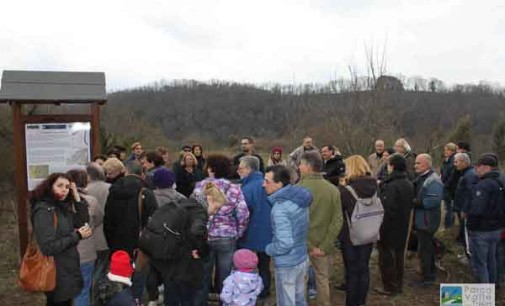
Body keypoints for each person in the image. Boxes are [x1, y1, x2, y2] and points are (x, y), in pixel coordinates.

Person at [191, 154, 250, 304]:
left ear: (210, 169)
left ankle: (200, 302)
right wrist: (239, 232)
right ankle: (226, 302)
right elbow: (243, 214)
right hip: (227, 236)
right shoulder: (234, 189)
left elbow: (193, 212)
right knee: (226, 276)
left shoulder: (200, 187)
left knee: (202, 274)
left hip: (204, 236)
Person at [30, 173, 92, 306]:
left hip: (67, 270)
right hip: (55, 271)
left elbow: (83, 221)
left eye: (67, 187)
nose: (64, 189)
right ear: (49, 187)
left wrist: (76, 196)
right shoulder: (44, 211)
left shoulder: (62, 208)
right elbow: (48, 247)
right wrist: (77, 236)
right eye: (59, 186)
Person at [264, 165, 312, 306]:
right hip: (301, 257)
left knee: (287, 302)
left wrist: (269, 249)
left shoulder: (280, 209)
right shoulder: (299, 198)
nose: (263, 184)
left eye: (267, 181)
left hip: (287, 263)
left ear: (279, 184)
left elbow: (285, 244)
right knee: (299, 299)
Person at [297, 152, 341, 306]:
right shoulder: (333, 190)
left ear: (308, 167)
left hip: (302, 245)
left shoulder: (297, 190)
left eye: (301, 164)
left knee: (300, 281)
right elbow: (337, 221)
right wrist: (325, 246)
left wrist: (309, 246)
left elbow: (294, 222)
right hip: (323, 245)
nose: (299, 167)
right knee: (323, 280)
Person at [337, 155, 377, 306]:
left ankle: (352, 302)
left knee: (352, 271)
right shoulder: (375, 187)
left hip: (350, 236)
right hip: (369, 232)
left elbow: (338, 212)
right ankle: (361, 301)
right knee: (364, 268)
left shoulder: (346, 190)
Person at [376, 154, 414, 296]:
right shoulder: (408, 183)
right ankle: (398, 284)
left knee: (387, 259)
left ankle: (390, 287)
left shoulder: (391, 185)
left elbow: (387, 209)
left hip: (389, 228)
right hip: (403, 225)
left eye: (388, 164)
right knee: (398, 257)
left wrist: (380, 229)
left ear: (392, 166)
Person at [237, 156, 272, 300]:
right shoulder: (270, 183)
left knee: (246, 265)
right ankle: (265, 291)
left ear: (248, 169)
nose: (239, 171)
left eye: (241, 168)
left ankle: (247, 292)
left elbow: (242, 213)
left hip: (250, 232)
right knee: (264, 265)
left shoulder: (246, 188)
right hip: (269, 231)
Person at [67, 169, 103, 306]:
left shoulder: (61, 202)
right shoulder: (91, 201)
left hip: (65, 252)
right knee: (83, 290)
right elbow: (99, 219)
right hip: (86, 252)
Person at [467, 153, 504, 284]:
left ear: (487, 167)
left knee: (480, 264)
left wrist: (469, 225)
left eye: (479, 166)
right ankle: (493, 289)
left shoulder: (483, 185)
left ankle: (484, 296)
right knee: (491, 261)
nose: (477, 169)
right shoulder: (500, 182)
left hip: (482, 230)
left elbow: (477, 210)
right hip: (496, 229)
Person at [412, 153, 443, 287]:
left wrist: (415, 202)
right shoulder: (421, 178)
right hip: (422, 220)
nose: (415, 165)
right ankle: (429, 273)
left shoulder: (433, 180)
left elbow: (433, 201)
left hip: (427, 221)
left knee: (425, 249)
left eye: (418, 163)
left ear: (427, 164)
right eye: (415, 163)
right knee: (426, 248)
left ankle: (427, 278)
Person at [86, 163, 112, 290]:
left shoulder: (84, 190)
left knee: (89, 270)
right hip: (105, 236)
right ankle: (97, 294)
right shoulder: (110, 188)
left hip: (88, 237)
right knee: (101, 269)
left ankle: (90, 293)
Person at [453, 153, 478, 259]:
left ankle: (470, 258)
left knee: (467, 234)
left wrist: (465, 209)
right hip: (462, 208)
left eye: (457, 162)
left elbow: (471, 193)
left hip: (466, 211)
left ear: (464, 162)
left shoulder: (470, 175)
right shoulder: (465, 174)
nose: (455, 164)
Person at [440, 142, 459, 229]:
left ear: (452, 151)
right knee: (447, 208)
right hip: (446, 187)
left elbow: (453, 175)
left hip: (451, 189)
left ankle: (449, 227)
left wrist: (446, 185)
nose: (445, 152)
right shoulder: (446, 160)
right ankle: (447, 226)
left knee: (449, 208)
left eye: (447, 150)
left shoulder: (453, 160)